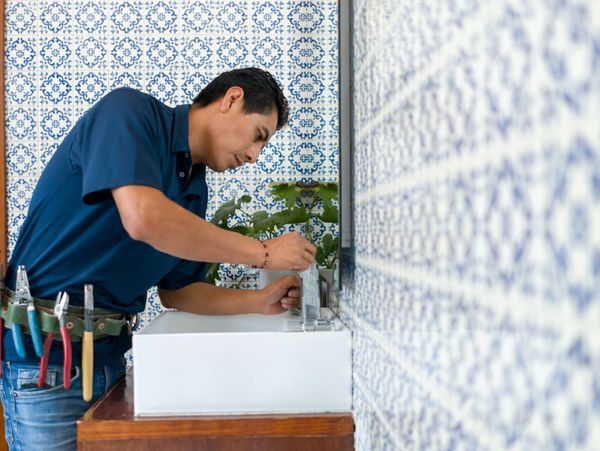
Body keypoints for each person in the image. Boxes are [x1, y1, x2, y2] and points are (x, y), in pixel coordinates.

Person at [0, 67, 316, 450]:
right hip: (46, 365)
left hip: (111, 363)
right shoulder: (129, 113)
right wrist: (264, 253)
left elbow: (178, 291)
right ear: (232, 99)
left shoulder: (194, 190)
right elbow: (143, 217)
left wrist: (256, 304)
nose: (253, 156)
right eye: (258, 136)